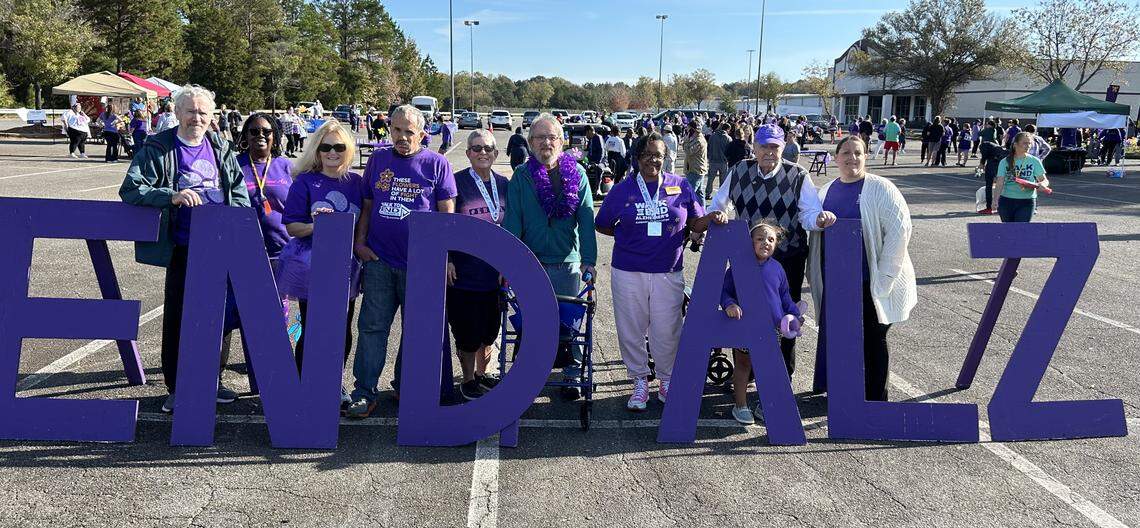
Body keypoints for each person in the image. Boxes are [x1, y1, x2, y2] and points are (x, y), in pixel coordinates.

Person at [119, 84, 251, 413]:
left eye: (203, 112)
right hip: (182, 246)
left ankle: (213, 381)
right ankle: (177, 387)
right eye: (191, 111)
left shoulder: (220, 146)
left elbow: (238, 191)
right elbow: (131, 188)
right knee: (178, 318)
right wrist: (170, 196)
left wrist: (238, 230)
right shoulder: (158, 147)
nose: (197, 117)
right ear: (176, 113)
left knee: (219, 319)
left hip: (219, 247)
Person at [347, 105, 456, 418]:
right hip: (380, 260)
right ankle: (363, 392)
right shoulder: (379, 160)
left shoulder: (437, 165)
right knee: (372, 328)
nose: (402, 137)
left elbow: (446, 214)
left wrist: (444, 257)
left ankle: (405, 385)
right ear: (389, 129)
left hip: (420, 265)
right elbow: (368, 205)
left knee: (416, 329)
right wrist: (360, 243)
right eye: (397, 130)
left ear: (422, 134)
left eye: (409, 131)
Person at [708, 124, 836, 379]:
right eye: (763, 146)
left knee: (785, 315)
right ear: (754, 147)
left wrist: (819, 220)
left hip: (787, 258)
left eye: (774, 147)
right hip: (748, 258)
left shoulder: (798, 175)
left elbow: (808, 213)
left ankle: (782, 376)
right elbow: (719, 203)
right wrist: (718, 215)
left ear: (783, 148)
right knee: (747, 312)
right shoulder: (739, 170)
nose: (769, 151)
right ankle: (750, 373)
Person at [594, 132, 711, 410]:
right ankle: (638, 380)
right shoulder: (622, 189)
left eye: (658, 155)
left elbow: (695, 222)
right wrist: (631, 237)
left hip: (668, 270)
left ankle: (667, 379)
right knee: (631, 328)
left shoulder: (680, 185)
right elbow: (603, 224)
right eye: (647, 155)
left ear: (665, 157)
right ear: (636, 158)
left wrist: (713, 218)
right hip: (628, 270)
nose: (653, 160)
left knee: (667, 328)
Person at [807, 135, 916, 401]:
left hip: (871, 281)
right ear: (835, 158)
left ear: (866, 156)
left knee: (873, 339)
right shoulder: (826, 191)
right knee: (841, 338)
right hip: (838, 282)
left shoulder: (881, 188)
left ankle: (876, 397)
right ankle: (844, 390)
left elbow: (899, 231)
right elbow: (811, 227)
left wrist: (885, 277)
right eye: (846, 153)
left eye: (858, 153)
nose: (852, 158)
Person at [503, 113, 597, 400]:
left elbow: (587, 220)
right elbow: (513, 221)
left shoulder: (578, 173)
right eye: (540, 137)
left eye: (552, 137)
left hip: (567, 262)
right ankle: (531, 374)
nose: (547, 142)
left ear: (562, 141)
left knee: (571, 325)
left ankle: (572, 375)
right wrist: (510, 264)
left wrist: (589, 260)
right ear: (530, 143)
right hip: (531, 264)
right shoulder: (521, 176)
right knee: (532, 324)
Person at [277, 120, 362, 409]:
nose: (332, 152)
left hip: (346, 268)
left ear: (348, 150)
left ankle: (334, 382)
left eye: (339, 147)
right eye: (326, 147)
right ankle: (305, 382)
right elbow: (291, 226)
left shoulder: (356, 183)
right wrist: (317, 226)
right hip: (311, 268)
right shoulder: (305, 181)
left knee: (343, 328)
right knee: (312, 325)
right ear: (316, 150)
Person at [448, 129, 509, 400]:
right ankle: (469, 378)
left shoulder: (505, 185)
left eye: (487, 148)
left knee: (489, 328)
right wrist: (447, 258)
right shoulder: (456, 183)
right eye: (476, 148)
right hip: (464, 271)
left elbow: (512, 227)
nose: (482, 153)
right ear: (468, 153)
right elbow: (445, 223)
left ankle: (484, 374)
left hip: (495, 273)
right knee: (466, 330)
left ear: (496, 153)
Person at [720, 222, 802, 423]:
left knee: (769, 368)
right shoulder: (737, 268)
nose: (766, 242)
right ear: (750, 242)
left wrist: (794, 314)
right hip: (745, 327)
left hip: (771, 329)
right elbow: (724, 291)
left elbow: (784, 297)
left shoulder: (777, 269)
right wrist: (729, 305)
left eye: (771, 239)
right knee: (743, 365)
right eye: (760, 238)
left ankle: (765, 406)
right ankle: (740, 406)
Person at [995, 132, 1050, 223]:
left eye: (1029, 143)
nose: (1028, 146)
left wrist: (1042, 184)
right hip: (1006, 200)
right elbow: (999, 182)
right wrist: (995, 200)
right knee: (1008, 231)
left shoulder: (1034, 161)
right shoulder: (1004, 161)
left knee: (1020, 230)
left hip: (1027, 201)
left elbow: (1044, 179)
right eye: (1025, 143)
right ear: (1015, 144)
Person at [682, 120, 708, 199]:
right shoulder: (695, 138)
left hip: (696, 170)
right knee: (699, 193)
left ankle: (690, 210)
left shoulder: (698, 140)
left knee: (690, 193)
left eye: (688, 129)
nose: (687, 131)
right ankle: (702, 210)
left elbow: (689, 151)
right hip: (694, 168)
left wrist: (685, 141)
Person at [706, 123, 731, 200]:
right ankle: (721, 195)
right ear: (727, 129)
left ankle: (708, 193)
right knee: (723, 180)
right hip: (723, 162)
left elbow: (708, 147)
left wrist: (709, 157)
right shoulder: (728, 138)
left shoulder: (713, 136)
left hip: (713, 160)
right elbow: (729, 151)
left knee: (710, 179)